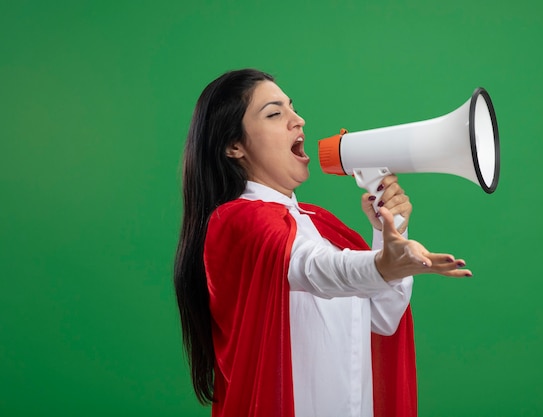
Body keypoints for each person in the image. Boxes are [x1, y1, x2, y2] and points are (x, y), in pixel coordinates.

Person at [174, 68, 471, 417]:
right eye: (274, 113)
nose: (298, 120)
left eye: (292, 108)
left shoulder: (320, 225)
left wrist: (390, 231)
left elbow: (384, 318)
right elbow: (316, 269)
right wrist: (381, 265)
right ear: (233, 146)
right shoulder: (237, 221)